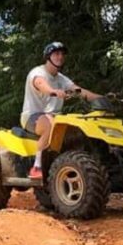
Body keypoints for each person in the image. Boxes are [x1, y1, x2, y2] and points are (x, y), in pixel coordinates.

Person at [21, 42, 102, 180]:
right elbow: (41, 84)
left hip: (56, 117)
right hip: (32, 116)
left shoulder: (61, 79)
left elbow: (78, 90)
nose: (60, 57)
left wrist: (100, 98)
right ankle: (37, 167)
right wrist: (52, 91)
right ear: (48, 56)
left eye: (62, 54)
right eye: (56, 54)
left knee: (77, 128)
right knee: (50, 125)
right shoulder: (38, 73)